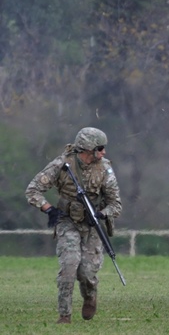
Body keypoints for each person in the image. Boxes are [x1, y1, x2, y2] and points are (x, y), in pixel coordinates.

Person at [25, 127, 122, 324]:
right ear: (88, 148)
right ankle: (65, 315)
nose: (104, 152)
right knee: (69, 266)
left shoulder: (105, 169)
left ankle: (90, 295)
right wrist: (48, 209)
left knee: (86, 272)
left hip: (92, 226)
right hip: (67, 221)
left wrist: (101, 214)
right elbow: (33, 190)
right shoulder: (62, 165)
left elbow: (116, 204)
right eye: (100, 148)